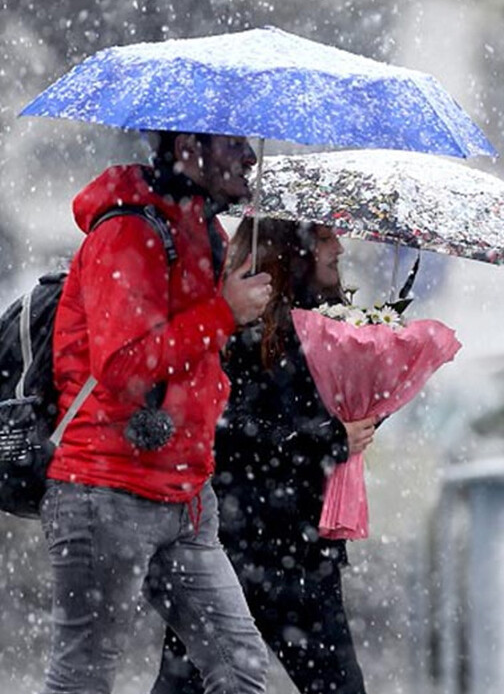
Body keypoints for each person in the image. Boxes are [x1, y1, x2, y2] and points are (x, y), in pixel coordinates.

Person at [43, 131, 274, 693]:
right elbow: (124, 364)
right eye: (231, 143)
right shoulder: (127, 230)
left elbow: (200, 358)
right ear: (188, 147)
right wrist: (223, 312)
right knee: (84, 677)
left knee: (240, 668)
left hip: (186, 496)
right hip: (105, 489)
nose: (249, 156)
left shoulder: (202, 231)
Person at [151, 218, 376, 694]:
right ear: (292, 249)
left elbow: (313, 423)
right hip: (239, 545)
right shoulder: (242, 327)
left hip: (300, 547)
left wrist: (367, 409)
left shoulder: (329, 323)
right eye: (324, 236)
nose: (339, 246)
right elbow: (233, 432)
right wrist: (330, 439)